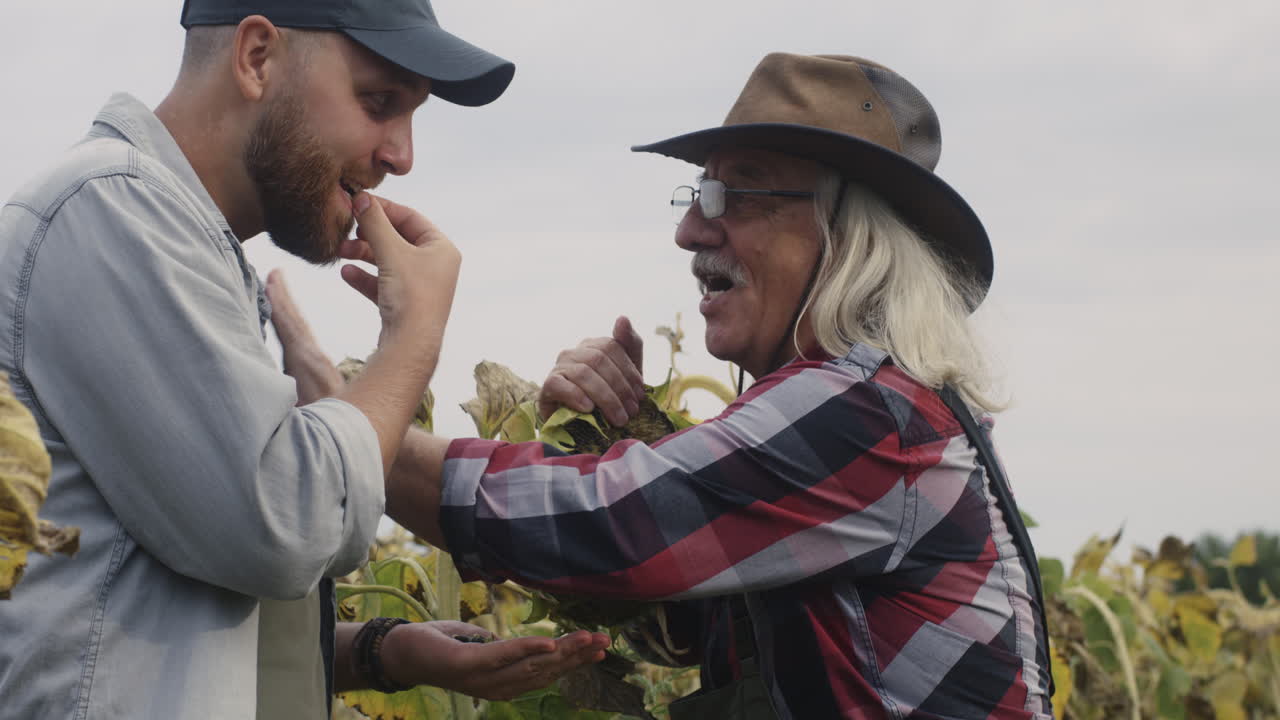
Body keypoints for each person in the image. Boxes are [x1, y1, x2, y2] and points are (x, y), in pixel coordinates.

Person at [270, 53, 1055, 719]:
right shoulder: (874, 411)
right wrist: (628, 434)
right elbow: (684, 634)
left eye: (738, 194)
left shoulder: (869, 415)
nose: (690, 230)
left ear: (848, 235)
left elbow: (605, 525)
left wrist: (348, 417)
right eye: (697, 195)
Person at [0, 1, 607, 718]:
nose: (402, 156)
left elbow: (159, 601)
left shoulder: (181, 242)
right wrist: (413, 336)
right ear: (256, 57)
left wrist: (388, 650)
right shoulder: (110, 212)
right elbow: (287, 525)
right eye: (379, 102)